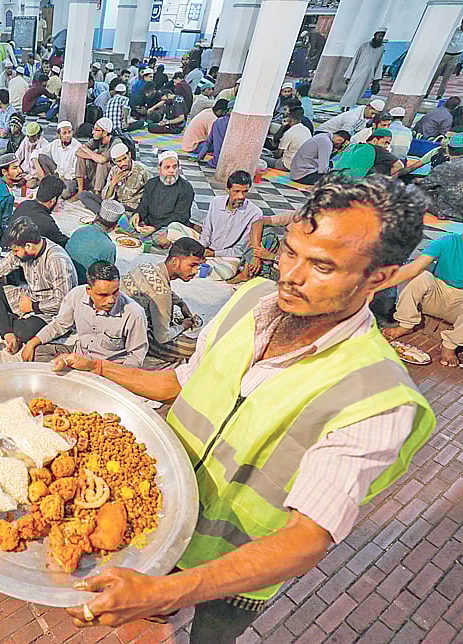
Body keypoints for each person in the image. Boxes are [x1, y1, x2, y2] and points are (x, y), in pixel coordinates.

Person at [57, 174, 434, 641]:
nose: (290, 276)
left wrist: (169, 593)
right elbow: (180, 381)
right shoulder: (250, 301)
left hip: (237, 567)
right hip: (166, 519)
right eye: (289, 250)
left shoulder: (378, 396)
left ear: (377, 277)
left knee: (211, 636)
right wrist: (97, 367)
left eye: (322, 266)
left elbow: (308, 537)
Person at [0, 217, 77, 353]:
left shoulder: (56, 260)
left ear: (29, 246)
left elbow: (63, 302)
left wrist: (32, 307)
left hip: (50, 310)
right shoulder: (23, 251)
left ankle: (2, 321)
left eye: (15, 251)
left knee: (24, 331)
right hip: (30, 297)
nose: (14, 254)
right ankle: (8, 332)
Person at [22, 261, 147, 366]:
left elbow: (135, 358)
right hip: (78, 354)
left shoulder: (134, 314)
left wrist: (101, 370)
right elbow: (59, 325)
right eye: (103, 295)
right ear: (88, 290)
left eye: (115, 292)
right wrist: (31, 343)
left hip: (105, 369)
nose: (111, 300)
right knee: (38, 352)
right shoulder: (77, 295)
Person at [164, 170, 264, 281]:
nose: (240, 196)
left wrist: (214, 254)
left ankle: (190, 264)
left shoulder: (255, 213)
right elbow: (207, 230)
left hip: (226, 255)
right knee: (174, 227)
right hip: (205, 246)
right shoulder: (216, 202)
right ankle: (194, 262)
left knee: (226, 272)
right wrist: (200, 250)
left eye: (244, 192)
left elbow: (240, 248)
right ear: (228, 190)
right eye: (236, 191)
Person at [381, 231, 463, 366]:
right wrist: (370, 288)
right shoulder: (448, 241)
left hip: (459, 307)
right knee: (419, 275)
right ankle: (405, 324)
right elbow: (414, 267)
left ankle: (450, 345)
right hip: (437, 293)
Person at [121, 238, 204, 366]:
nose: (195, 271)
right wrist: (183, 326)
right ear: (175, 261)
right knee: (196, 346)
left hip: (118, 316)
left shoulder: (147, 266)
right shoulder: (162, 294)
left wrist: (180, 303)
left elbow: (156, 288)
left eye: (198, 266)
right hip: (129, 335)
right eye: (192, 265)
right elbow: (162, 337)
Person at [134, 152, 194, 238]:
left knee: (162, 239)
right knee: (124, 218)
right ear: (159, 169)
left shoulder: (186, 188)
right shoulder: (151, 183)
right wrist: (137, 214)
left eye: (174, 167)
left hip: (169, 226)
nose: (171, 170)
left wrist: (155, 228)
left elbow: (180, 217)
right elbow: (144, 205)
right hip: (149, 223)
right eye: (167, 167)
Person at [65, 200, 123, 283]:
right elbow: (107, 275)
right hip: (84, 284)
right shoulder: (109, 247)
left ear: (96, 217)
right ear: (115, 226)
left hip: (67, 275)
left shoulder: (80, 230)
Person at [12, 175, 69, 246]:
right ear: (53, 201)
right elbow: (65, 243)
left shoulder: (24, 204)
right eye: (60, 199)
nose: (61, 203)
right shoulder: (47, 223)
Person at [101, 143, 152, 217]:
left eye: (124, 158)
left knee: (111, 213)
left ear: (129, 155)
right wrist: (113, 183)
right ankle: (110, 216)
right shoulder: (114, 171)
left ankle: (109, 216)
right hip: (116, 204)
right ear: (114, 161)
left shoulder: (143, 170)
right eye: (119, 161)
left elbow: (152, 192)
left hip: (133, 207)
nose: (123, 163)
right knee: (85, 195)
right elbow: (105, 199)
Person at [341, 28, 386, 108]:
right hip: (357, 73)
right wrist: (348, 75)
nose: (380, 38)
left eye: (382, 36)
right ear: (375, 35)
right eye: (379, 36)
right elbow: (355, 60)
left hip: (369, 75)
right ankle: (344, 106)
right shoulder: (364, 46)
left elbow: (379, 63)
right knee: (351, 90)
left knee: (360, 92)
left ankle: (349, 106)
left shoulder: (381, 48)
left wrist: (376, 79)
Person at [74, 118, 118, 195]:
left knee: (102, 165)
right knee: (81, 158)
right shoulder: (97, 139)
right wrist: (94, 157)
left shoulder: (115, 142)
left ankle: (97, 193)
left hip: (111, 174)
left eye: (96, 130)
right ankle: (80, 190)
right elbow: (78, 152)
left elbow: (102, 160)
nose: (93, 132)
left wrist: (88, 151)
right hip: (96, 172)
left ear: (104, 132)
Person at [335, 128, 403, 178]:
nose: (387, 146)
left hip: (335, 180)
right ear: (375, 140)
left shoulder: (352, 147)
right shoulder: (377, 149)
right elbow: (399, 166)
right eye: (385, 142)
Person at [37, 121, 81, 197]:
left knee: (64, 194)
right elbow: (37, 153)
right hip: (57, 173)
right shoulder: (55, 143)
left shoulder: (77, 146)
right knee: (41, 157)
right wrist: (37, 167)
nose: (68, 135)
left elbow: (75, 170)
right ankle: (50, 181)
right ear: (59, 135)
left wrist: (65, 177)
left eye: (69, 132)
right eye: (64, 133)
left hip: (69, 178)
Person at [263, 106, 311, 171]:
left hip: (287, 165)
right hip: (301, 165)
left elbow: (278, 154)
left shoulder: (289, 133)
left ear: (290, 118)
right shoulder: (307, 130)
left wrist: (283, 126)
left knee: (261, 158)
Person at [430, 20, 463, 99]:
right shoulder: (454, 31)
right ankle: (427, 92)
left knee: (447, 77)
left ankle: (440, 94)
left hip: (456, 56)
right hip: (445, 54)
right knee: (435, 74)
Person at [319, 98, 384, 136]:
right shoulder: (353, 117)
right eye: (372, 113)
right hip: (324, 133)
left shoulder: (363, 113)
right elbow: (344, 135)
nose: (372, 116)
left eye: (375, 115)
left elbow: (359, 130)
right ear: (368, 107)